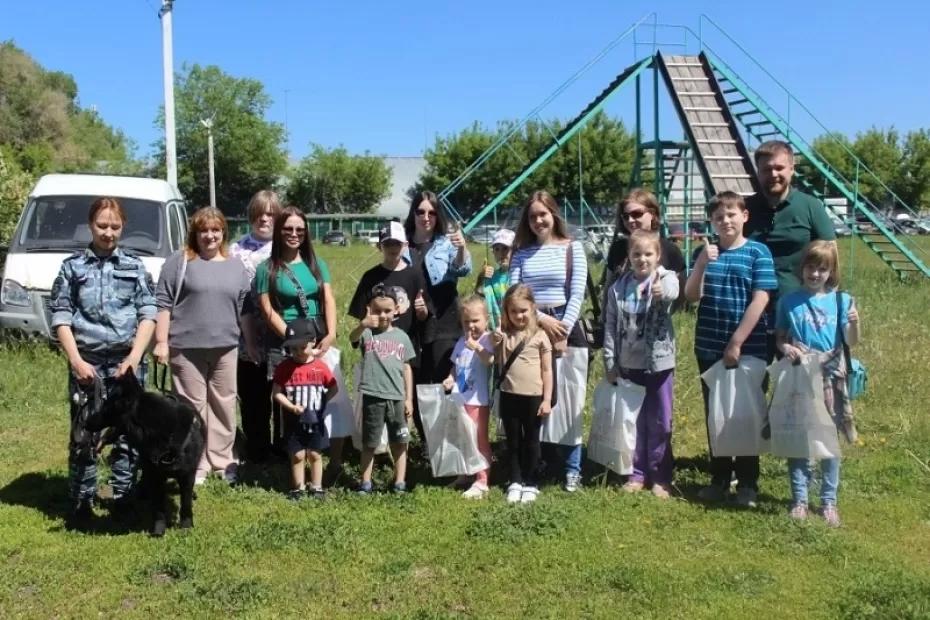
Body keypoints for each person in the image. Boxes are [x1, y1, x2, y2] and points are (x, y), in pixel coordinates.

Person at [48, 197, 156, 525]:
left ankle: (123, 497)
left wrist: (135, 357)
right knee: (85, 433)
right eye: (102, 225)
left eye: (115, 226)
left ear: (123, 227)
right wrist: (76, 361)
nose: (108, 233)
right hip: (88, 364)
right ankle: (81, 501)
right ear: (90, 225)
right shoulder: (72, 267)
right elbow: (61, 315)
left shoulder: (135, 266)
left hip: (127, 364)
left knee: (129, 434)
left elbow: (148, 313)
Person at [684, 191, 778, 507]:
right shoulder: (706, 252)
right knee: (717, 415)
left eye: (731, 214)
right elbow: (691, 295)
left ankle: (748, 483)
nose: (725, 221)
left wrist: (736, 342)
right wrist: (699, 265)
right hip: (709, 348)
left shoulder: (757, 252)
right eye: (719, 217)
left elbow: (761, 298)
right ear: (711, 221)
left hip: (748, 348)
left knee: (746, 414)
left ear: (744, 216)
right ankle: (719, 479)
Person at [154, 207, 251, 485]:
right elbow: (162, 302)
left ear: (223, 233)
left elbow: (244, 309)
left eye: (215, 230)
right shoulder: (180, 261)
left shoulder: (235, 266)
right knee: (190, 407)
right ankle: (195, 462)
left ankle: (222, 461)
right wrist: (161, 342)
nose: (210, 236)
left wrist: (252, 344)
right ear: (194, 233)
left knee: (223, 404)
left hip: (226, 346)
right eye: (203, 230)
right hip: (185, 347)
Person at [775, 241, 860, 527]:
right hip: (800, 375)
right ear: (802, 268)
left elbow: (851, 341)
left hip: (831, 376)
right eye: (811, 267)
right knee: (799, 438)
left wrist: (854, 323)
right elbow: (780, 337)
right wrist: (786, 348)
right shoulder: (788, 301)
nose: (815, 274)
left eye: (822, 269)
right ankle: (799, 498)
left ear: (831, 271)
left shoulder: (842, 301)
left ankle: (828, 501)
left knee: (829, 441)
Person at [508, 190, 587, 492]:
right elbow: (515, 293)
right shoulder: (521, 252)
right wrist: (540, 319)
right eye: (532, 216)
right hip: (531, 329)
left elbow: (577, 291)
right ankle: (537, 461)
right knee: (534, 399)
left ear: (553, 214)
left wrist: (562, 329)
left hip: (567, 332)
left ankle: (572, 467)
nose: (538, 220)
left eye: (543, 214)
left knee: (569, 399)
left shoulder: (572, 248)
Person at [602, 230, 679, 499]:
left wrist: (663, 291)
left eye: (648, 254)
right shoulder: (618, 288)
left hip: (659, 364)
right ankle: (636, 472)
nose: (642, 259)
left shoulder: (664, 278)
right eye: (636, 254)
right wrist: (610, 361)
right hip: (628, 364)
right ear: (629, 257)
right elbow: (610, 326)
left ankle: (660, 475)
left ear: (657, 256)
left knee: (660, 421)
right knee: (633, 421)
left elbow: (673, 290)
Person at [256, 207, 336, 457]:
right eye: (288, 228)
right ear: (279, 231)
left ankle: (317, 446)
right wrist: (293, 340)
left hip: (317, 337)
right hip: (284, 341)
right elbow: (266, 308)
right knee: (288, 393)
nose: (294, 234)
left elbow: (328, 298)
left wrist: (331, 333)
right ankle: (289, 451)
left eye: (299, 229)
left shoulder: (317, 264)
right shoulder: (267, 268)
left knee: (316, 391)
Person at [403, 191, 472, 440]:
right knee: (418, 380)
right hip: (413, 320)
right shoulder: (402, 244)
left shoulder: (445, 242)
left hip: (445, 318)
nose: (426, 217)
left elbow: (463, 269)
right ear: (413, 214)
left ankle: (447, 439)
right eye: (421, 211)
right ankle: (426, 440)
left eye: (431, 212)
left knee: (442, 378)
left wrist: (462, 248)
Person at [229, 190, 282, 463]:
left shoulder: (288, 247)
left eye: (271, 214)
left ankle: (284, 448)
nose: (265, 219)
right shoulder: (235, 251)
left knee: (283, 393)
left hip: (282, 334)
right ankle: (257, 448)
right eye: (260, 213)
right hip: (245, 334)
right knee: (253, 395)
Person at [349, 284, 416, 494]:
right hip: (372, 395)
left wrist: (408, 398)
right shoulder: (367, 334)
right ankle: (366, 482)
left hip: (396, 397)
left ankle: (399, 481)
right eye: (377, 310)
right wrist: (363, 324)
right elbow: (352, 338)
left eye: (387, 310)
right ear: (369, 309)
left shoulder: (402, 337)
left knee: (400, 441)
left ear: (396, 309)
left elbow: (406, 368)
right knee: (369, 443)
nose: (382, 315)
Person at [491, 284, 553, 504]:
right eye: (513, 311)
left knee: (532, 441)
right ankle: (515, 480)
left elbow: (547, 370)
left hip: (533, 397)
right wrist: (495, 343)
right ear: (506, 312)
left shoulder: (541, 336)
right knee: (513, 440)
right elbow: (496, 362)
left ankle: (532, 481)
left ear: (533, 308)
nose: (519, 316)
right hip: (509, 395)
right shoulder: (504, 335)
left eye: (523, 310)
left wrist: (546, 399)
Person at [272, 318, 338, 501]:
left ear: (313, 343)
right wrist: (291, 407)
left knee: (315, 453)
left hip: (316, 419)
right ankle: (298, 487)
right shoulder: (285, 368)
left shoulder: (320, 367)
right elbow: (276, 393)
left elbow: (333, 387)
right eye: (293, 349)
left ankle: (317, 487)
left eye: (302, 347)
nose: (298, 353)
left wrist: (323, 403)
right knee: (297, 454)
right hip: (294, 421)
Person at [441, 295, 495, 499]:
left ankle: (482, 479)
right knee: (463, 437)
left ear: (486, 320)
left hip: (478, 400)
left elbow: (490, 360)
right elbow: (456, 365)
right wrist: (449, 378)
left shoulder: (487, 339)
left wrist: (478, 347)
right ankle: (465, 473)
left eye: (475, 321)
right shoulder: (461, 342)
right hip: (461, 398)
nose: (471, 326)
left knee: (479, 440)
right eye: (466, 322)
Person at [605, 188, 686, 279]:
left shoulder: (670, 250)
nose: (630, 220)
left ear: (652, 213)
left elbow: (682, 291)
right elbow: (608, 288)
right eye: (626, 216)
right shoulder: (618, 248)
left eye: (636, 214)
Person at [474, 228, 515, 330]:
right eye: (497, 249)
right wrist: (481, 278)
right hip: (497, 329)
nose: (501, 253)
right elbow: (479, 296)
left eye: (505, 248)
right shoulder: (491, 276)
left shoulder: (519, 273)